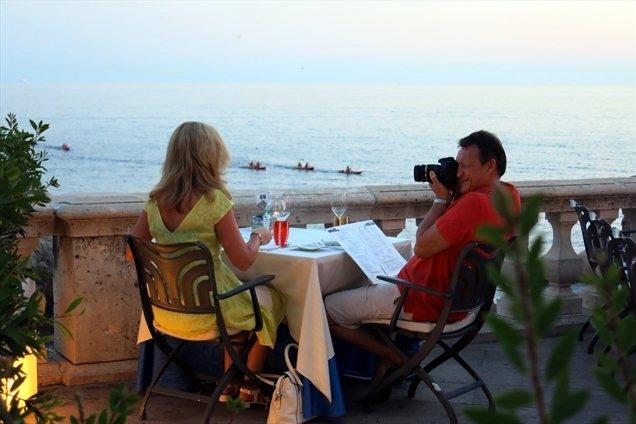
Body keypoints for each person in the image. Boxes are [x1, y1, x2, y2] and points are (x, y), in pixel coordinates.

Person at [325, 130, 521, 368]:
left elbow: (422, 246)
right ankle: (378, 367)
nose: (458, 174)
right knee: (362, 286)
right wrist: (455, 197)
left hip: (419, 300)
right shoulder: (509, 194)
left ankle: (396, 359)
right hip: (461, 304)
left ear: (490, 165)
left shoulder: (474, 203)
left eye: (465, 167)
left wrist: (440, 200)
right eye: (456, 166)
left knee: (327, 308)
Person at [130, 121, 284, 405]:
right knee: (271, 299)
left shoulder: (154, 202)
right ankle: (248, 384)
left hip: (166, 313)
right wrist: (258, 237)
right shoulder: (215, 201)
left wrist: (167, 251)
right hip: (213, 311)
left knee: (237, 303)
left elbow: (132, 252)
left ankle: (229, 386)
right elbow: (244, 260)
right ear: (210, 156)